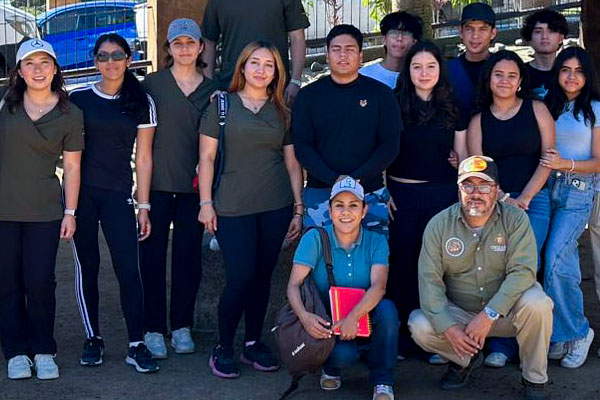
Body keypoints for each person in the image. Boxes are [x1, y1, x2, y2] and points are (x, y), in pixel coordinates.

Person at [198, 41, 303, 379]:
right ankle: (224, 345)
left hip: (275, 206)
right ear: (242, 67)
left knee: (261, 278)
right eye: (254, 63)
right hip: (232, 207)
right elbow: (207, 158)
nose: (261, 69)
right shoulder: (222, 106)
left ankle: (253, 343)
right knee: (241, 276)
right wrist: (205, 204)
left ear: (277, 72)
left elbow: (291, 163)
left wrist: (298, 208)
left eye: (269, 65)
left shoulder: (281, 110)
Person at [408, 155, 554, 400]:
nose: (476, 193)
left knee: (538, 304)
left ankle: (535, 379)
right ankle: (465, 358)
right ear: (458, 189)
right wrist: (451, 329)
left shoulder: (516, 219)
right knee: (419, 324)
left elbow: (524, 271)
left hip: (506, 312)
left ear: (496, 190)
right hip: (461, 313)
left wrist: (490, 314)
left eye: (484, 186)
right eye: (468, 185)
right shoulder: (439, 225)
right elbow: (429, 284)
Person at [69, 34, 159, 373]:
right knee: (87, 267)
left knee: (128, 269)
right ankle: (93, 337)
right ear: (94, 61)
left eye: (117, 55)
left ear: (129, 58)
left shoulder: (141, 101)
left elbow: (146, 157)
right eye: (103, 56)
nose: (110, 62)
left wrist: (144, 205)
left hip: (119, 195)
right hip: (82, 197)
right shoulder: (79, 100)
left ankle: (137, 343)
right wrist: (68, 208)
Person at [0, 39, 83, 380]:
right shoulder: (4, 106)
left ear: (55, 69)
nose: (38, 69)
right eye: (30, 63)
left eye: (44, 62)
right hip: (3, 210)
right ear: (19, 71)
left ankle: (44, 348)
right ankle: (16, 351)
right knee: (7, 283)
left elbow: (73, 168)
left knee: (40, 282)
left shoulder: (70, 114)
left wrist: (70, 212)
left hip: (46, 212)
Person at [466, 50, 555, 368]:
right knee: (498, 269)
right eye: (498, 74)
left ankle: (534, 340)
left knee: (528, 267)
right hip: (494, 204)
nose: (504, 81)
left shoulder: (537, 109)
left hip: (535, 200)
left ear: (520, 81)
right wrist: (503, 199)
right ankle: (501, 344)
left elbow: (548, 158)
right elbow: (479, 168)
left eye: (511, 75)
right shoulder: (478, 120)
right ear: (489, 80)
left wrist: (526, 198)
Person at [139, 18, 219, 359]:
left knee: (188, 258)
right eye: (177, 43)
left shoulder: (213, 90)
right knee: (152, 257)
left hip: (194, 189)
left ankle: (182, 325)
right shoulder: (152, 85)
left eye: (191, 42)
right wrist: (140, 201)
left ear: (201, 47)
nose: (184, 48)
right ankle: (154, 328)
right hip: (156, 185)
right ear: (168, 48)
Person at [387, 40, 467, 361]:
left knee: (436, 267)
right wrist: (383, 189)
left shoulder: (453, 105)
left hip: (441, 196)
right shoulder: (392, 102)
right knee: (402, 263)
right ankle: (401, 338)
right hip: (401, 195)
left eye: (430, 67)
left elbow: (463, 155)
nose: (423, 73)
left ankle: (435, 339)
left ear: (440, 70)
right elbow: (382, 150)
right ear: (408, 70)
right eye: (417, 66)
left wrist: (458, 165)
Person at [287, 177, 398, 400]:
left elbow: (378, 287)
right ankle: (333, 368)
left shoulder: (376, 241)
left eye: (353, 205)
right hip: (328, 321)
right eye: (339, 205)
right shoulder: (315, 238)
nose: (346, 212)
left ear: (364, 211)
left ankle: (383, 380)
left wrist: (353, 318)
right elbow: (293, 285)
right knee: (343, 355)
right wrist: (306, 317)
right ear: (329, 210)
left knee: (388, 311)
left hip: (364, 315)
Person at [293, 24, 402, 237]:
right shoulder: (308, 96)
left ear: (361, 55)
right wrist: (335, 179)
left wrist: (355, 179)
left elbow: (390, 145)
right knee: (321, 261)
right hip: (320, 194)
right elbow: (303, 146)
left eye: (350, 49)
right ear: (327, 54)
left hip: (369, 193)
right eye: (336, 49)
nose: (343, 55)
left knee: (373, 261)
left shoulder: (381, 94)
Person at [540, 46, 600, 368]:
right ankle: (562, 334)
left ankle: (578, 331)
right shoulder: (547, 104)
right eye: (565, 69)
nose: (571, 76)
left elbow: (599, 162)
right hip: (546, 190)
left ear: (587, 75)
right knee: (561, 263)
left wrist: (566, 164)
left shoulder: (596, 109)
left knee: (555, 256)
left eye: (578, 71)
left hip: (578, 192)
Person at [201, 0, 309, 103]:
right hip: (231, 85)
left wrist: (295, 80)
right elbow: (208, 40)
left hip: (275, 88)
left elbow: (297, 37)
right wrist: (209, 85)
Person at [447, 2, 497, 120]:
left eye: (482, 29)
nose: (475, 36)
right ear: (461, 32)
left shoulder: (502, 67)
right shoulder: (448, 70)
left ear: (493, 33)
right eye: (469, 29)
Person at [359, 11, 422, 89]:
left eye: (405, 33)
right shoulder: (364, 75)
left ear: (414, 41)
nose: (399, 38)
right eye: (394, 33)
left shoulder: (422, 76)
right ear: (384, 39)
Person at [521, 9, 568, 100]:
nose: (544, 37)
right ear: (529, 38)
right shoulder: (520, 73)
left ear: (561, 38)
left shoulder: (569, 74)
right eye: (538, 31)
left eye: (551, 31)